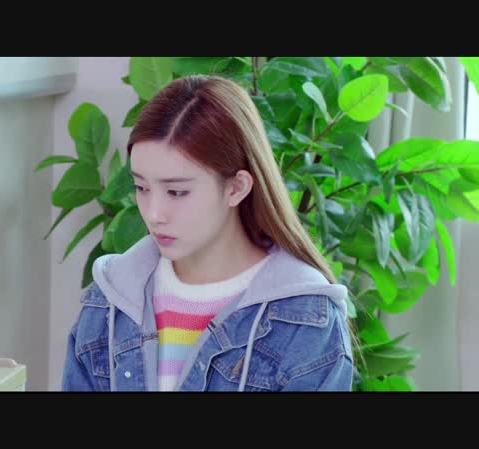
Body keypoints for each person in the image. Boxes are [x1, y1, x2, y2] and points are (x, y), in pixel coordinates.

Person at [62, 75, 354, 391]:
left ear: (236, 187)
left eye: (177, 192)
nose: (154, 213)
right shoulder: (108, 304)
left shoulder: (305, 322)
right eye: (142, 187)